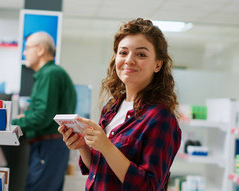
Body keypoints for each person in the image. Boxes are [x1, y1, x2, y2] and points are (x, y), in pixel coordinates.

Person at [58, 18, 181, 190]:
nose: (129, 60)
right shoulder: (112, 107)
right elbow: (99, 168)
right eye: (123, 53)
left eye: (141, 54)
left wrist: (107, 148)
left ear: (158, 64)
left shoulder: (161, 119)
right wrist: (83, 147)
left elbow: (149, 186)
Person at [11, 31, 76, 191]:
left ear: (40, 50)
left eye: (27, 48)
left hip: (48, 147)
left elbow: (42, 116)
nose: (24, 52)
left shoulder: (50, 74)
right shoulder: (52, 74)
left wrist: (12, 122)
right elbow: (45, 111)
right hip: (51, 147)